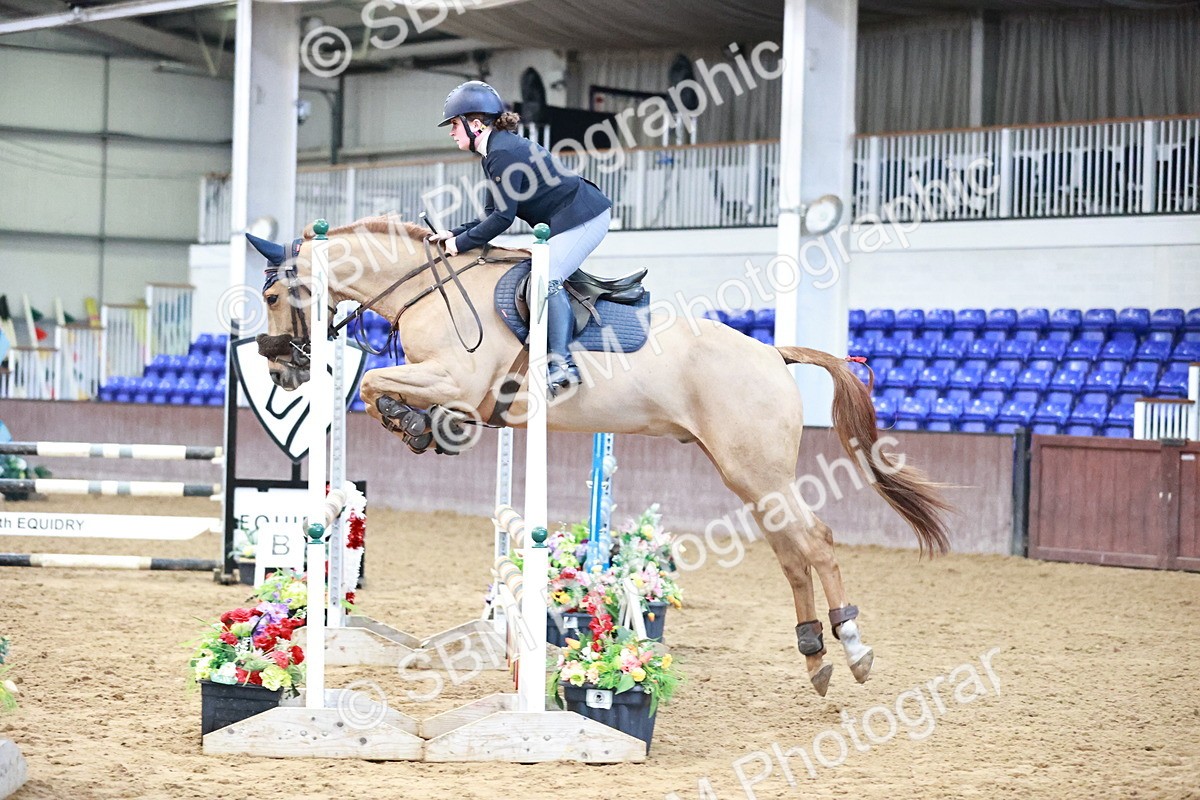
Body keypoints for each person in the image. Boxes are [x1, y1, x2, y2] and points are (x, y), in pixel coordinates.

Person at [428, 80, 612, 395]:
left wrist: (459, 245)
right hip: (569, 218)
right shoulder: (495, 151)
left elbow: (503, 218)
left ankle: (563, 365)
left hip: (584, 216)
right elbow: (491, 213)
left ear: (475, 124)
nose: (451, 131)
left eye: (455, 124)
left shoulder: (501, 153)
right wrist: (453, 232)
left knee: (546, 278)